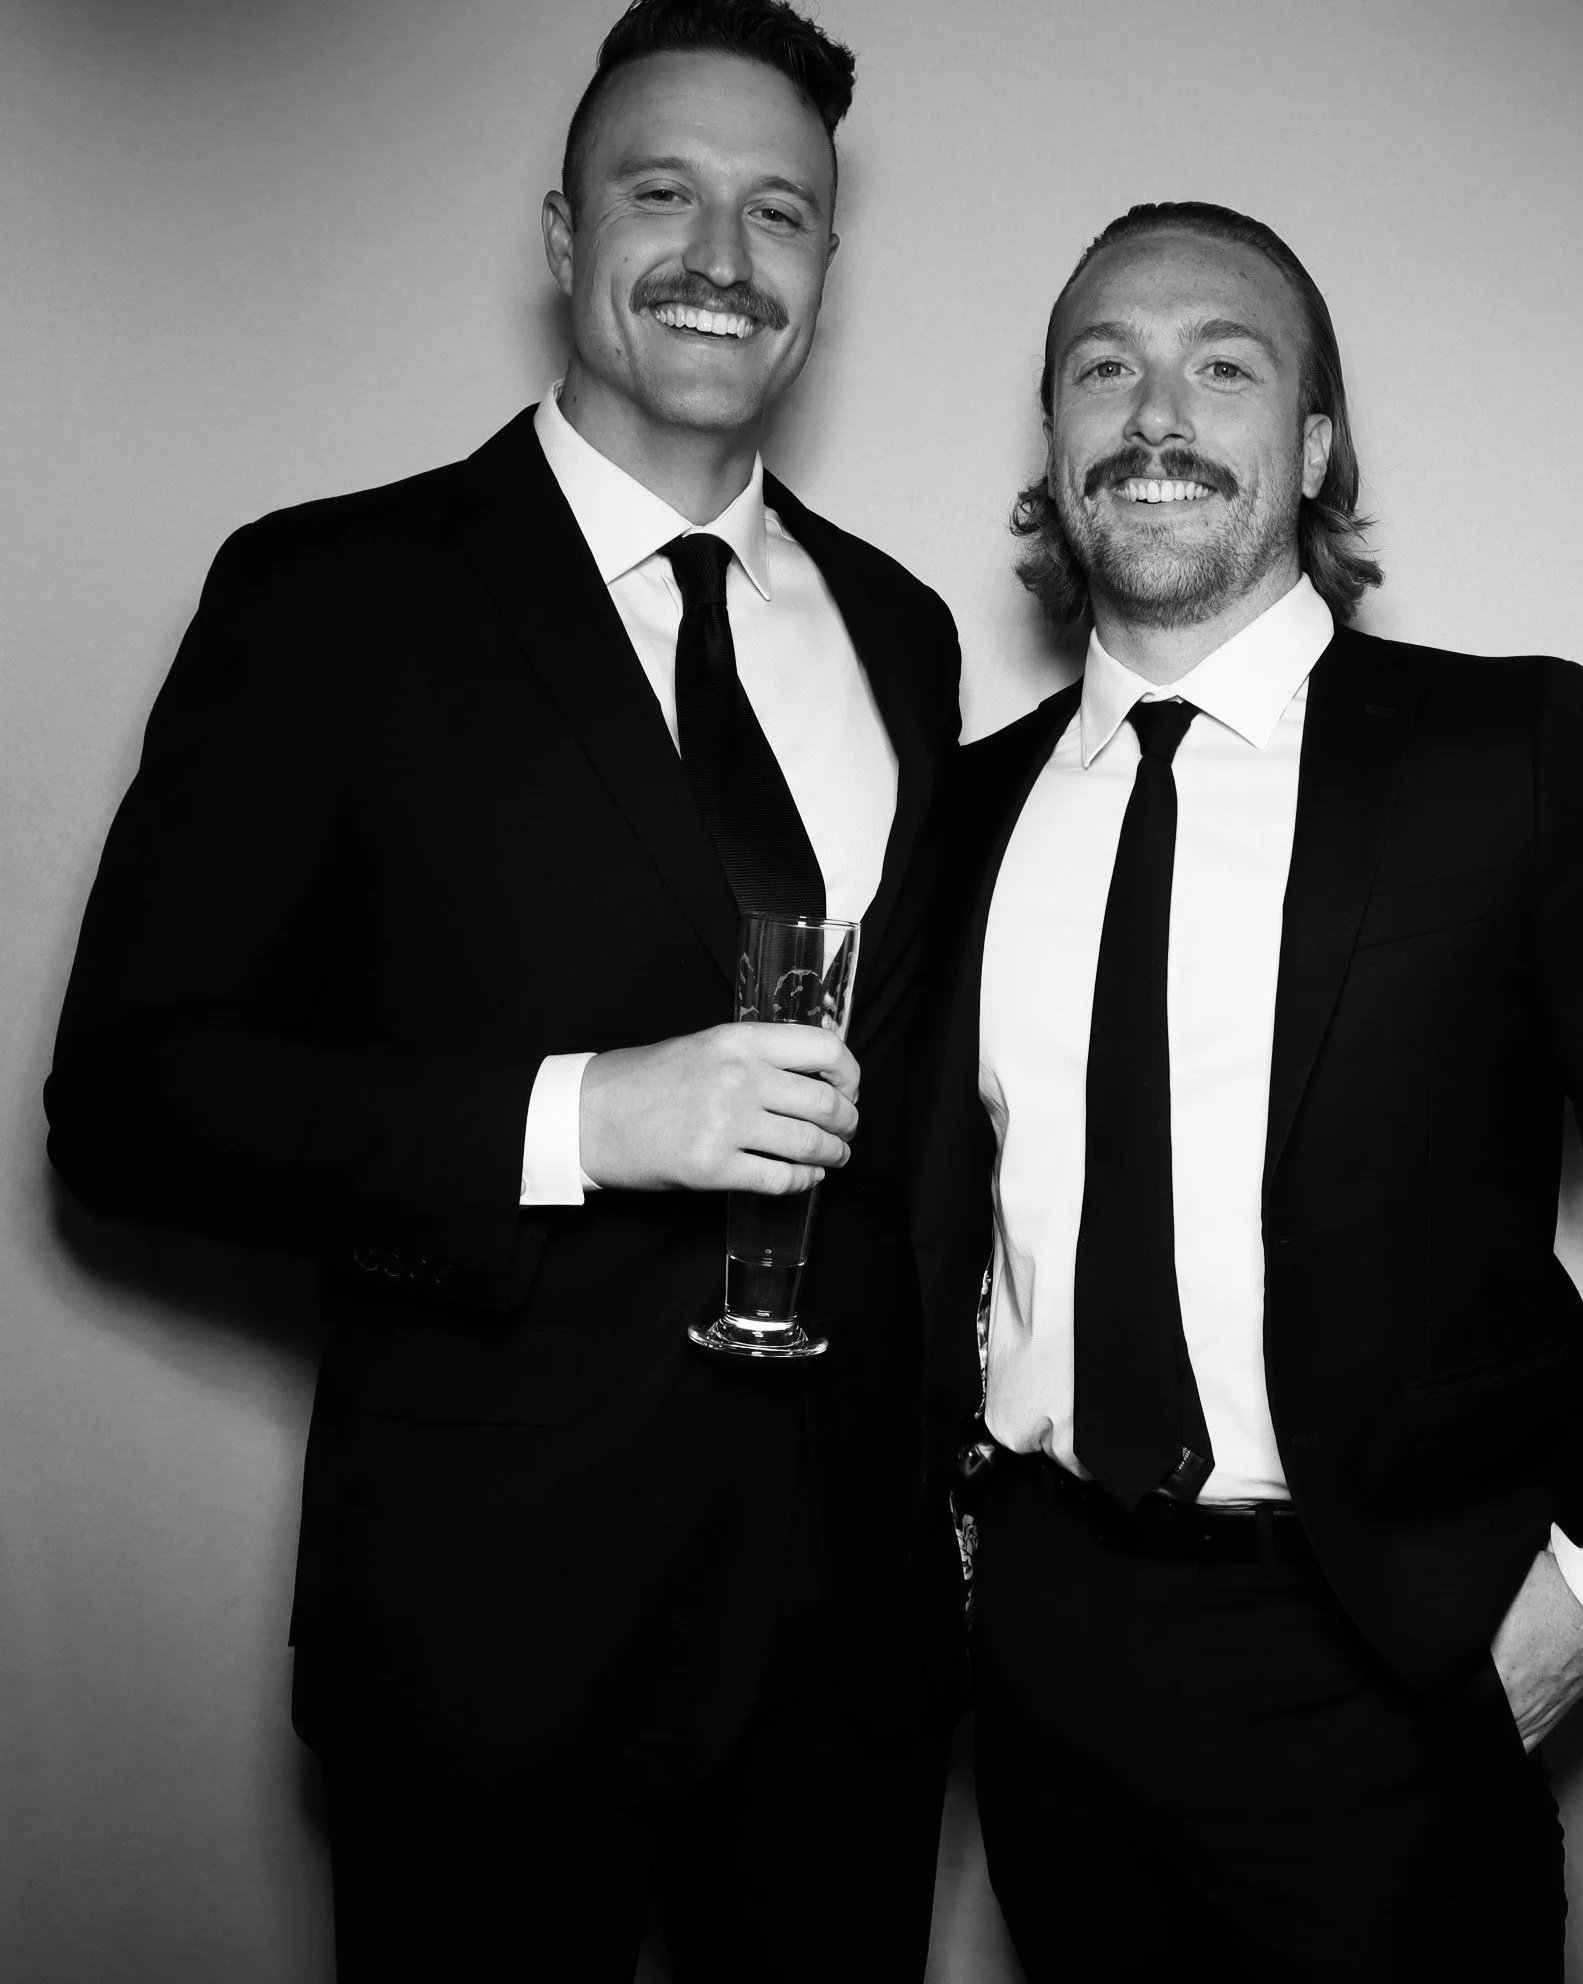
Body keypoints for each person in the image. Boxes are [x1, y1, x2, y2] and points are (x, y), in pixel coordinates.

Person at [45, 3, 964, 1977]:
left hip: (849, 1660)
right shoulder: (329, 596)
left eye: (779, 214)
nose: (724, 257)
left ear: (822, 267)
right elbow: (123, 1095)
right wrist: (576, 1118)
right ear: (561, 233)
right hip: (487, 1645)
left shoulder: (904, 628)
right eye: (664, 194)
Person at [912, 201, 1583, 1981]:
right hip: (1046, 1655)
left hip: (1384, 1661)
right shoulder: (961, 809)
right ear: (1059, 443)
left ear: (1310, 446)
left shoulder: (1507, 758)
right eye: (1106, 368)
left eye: (1222, 365)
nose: (1156, 413)